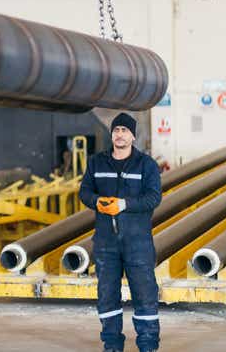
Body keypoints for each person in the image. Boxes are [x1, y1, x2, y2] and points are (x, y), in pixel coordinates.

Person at [78, 113, 161, 352]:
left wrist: (124, 204)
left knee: (145, 295)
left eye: (125, 130)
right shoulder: (97, 163)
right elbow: (84, 192)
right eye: (116, 130)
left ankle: (147, 345)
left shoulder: (146, 165)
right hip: (106, 242)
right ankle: (112, 345)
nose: (120, 134)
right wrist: (97, 201)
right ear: (112, 134)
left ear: (133, 136)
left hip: (138, 242)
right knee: (106, 295)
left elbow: (154, 198)